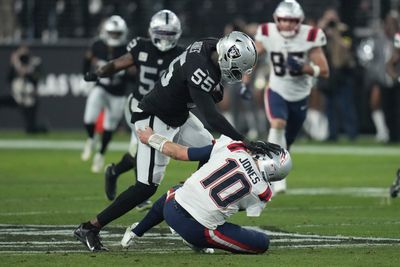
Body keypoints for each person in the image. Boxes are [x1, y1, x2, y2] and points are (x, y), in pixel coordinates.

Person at [74, 30, 282, 252]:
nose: (237, 74)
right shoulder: (201, 70)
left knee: (212, 151)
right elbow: (212, 116)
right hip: (154, 118)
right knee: (145, 187)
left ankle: (189, 202)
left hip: (178, 116)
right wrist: (244, 141)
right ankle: (90, 228)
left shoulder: (210, 44)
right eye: (237, 69)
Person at [120, 126, 291, 254]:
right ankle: (196, 242)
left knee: (182, 188)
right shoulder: (263, 192)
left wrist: (151, 138)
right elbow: (236, 208)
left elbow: (180, 152)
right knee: (262, 243)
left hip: (170, 207)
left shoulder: (233, 147)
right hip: (197, 231)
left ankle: (136, 231)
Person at [97, 10, 185, 205]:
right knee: (143, 145)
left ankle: (114, 171)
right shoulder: (141, 46)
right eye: (160, 33)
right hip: (138, 104)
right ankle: (141, 192)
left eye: (169, 34)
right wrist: (100, 72)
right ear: (152, 31)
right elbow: (119, 63)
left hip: (161, 108)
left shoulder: (181, 54)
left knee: (140, 149)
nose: (164, 38)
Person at [254, 0, 329, 193]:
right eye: (283, 20)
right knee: (277, 123)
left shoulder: (310, 35)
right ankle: (273, 178)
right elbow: (252, 55)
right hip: (276, 89)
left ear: (300, 21)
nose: (287, 24)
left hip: (300, 95)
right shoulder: (267, 32)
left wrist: (306, 68)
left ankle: (277, 168)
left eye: (291, 20)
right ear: (276, 19)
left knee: (287, 140)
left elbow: (324, 71)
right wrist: (245, 79)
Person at [80, 15, 130, 173]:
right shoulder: (97, 45)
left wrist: (126, 74)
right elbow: (87, 60)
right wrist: (86, 74)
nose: (114, 36)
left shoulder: (127, 48)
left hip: (118, 92)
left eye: (117, 33)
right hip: (101, 87)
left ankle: (100, 154)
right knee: (89, 118)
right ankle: (90, 139)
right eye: (112, 33)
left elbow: (134, 72)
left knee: (109, 127)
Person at [0, 44, 47, 133]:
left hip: (29, 99)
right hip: (17, 96)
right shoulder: (15, 65)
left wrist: (25, 69)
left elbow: (36, 78)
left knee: (30, 129)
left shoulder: (34, 63)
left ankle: (43, 129)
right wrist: (15, 63)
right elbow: (9, 78)